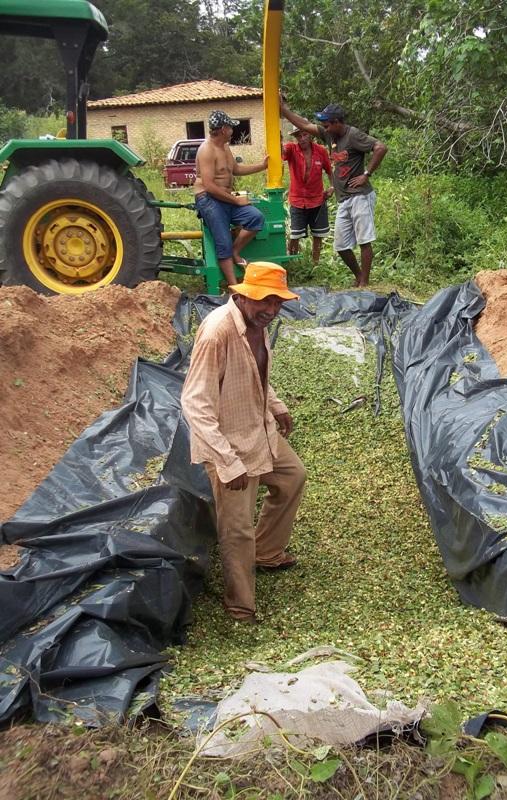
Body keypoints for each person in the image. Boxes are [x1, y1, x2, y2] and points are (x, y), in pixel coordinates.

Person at [181, 262, 306, 624]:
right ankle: (240, 604)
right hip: (228, 443)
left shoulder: (256, 324)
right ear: (242, 295)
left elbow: (255, 373)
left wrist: (276, 405)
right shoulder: (217, 333)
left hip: (257, 427)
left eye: (278, 303)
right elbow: (195, 404)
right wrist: (227, 462)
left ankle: (266, 551)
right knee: (236, 529)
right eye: (265, 301)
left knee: (292, 476)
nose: (271, 310)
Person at [280, 99, 387, 287]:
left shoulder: (353, 135)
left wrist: (366, 174)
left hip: (360, 195)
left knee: (364, 240)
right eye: (323, 125)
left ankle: (364, 282)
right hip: (344, 198)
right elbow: (303, 124)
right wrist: (283, 109)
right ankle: (359, 275)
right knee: (341, 245)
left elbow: (380, 147)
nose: (325, 128)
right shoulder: (329, 135)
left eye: (327, 125)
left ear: (338, 122)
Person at [193, 110, 269, 287]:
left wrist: (262, 166)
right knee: (223, 241)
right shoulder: (206, 150)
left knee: (255, 218)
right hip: (208, 198)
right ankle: (233, 286)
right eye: (230, 127)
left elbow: (235, 169)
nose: (233, 131)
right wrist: (236, 201)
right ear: (222, 129)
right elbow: (209, 186)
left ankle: (236, 252)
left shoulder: (225, 147)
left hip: (225, 197)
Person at [282, 126, 334, 264]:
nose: (302, 138)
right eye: (299, 136)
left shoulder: (320, 151)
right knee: (295, 235)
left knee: (319, 234)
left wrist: (332, 187)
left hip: (317, 198)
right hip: (297, 199)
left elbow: (330, 170)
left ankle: (315, 264)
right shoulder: (291, 149)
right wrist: (278, 140)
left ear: (310, 135)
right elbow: (281, 152)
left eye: (305, 134)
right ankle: (293, 263)